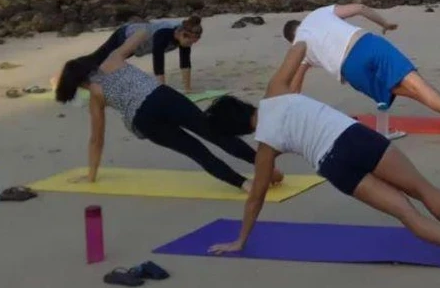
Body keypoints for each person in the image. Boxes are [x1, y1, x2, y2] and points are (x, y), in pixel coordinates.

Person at [202, 45, 440, 260]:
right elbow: (299, 49)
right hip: (353, 137)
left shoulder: (265, 146)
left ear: (237, 129)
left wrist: (240, 240)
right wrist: (309, 50)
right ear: (243, 105)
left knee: (403, 211)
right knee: (422, 189)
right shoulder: (276, 90)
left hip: (334, 165)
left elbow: (257, 197)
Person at [54, 27, 276, 191]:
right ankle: (269, 170)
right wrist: (133, 30)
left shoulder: (95, 95)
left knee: (196, 151)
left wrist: (91, 175)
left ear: (80, 83)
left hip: (143, 120)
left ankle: (244, 184)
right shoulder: (113, 59)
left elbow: (96, 139)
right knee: (212, 131)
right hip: (161, 97)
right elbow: (142, 32)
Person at [282, 3, 440, 131]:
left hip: (351, 71)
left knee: (413, 91)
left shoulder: (299, 49)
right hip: (366, 45)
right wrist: (385, 23)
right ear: (300, 22)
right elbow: (360, 8)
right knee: (417, 83)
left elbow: (294, 89)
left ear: (291, 39)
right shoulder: (318, 14)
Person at [81, 17, 203, 93]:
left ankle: (88, 78)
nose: (191, 44)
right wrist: (163, 91)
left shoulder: (185, 35)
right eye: (191, 41)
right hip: (125, 36)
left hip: (136, 47)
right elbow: (158, 63)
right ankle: (76, 75)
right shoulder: (164, 34)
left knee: (106, 63)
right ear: (182, 35)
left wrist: (188, 89)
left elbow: (185, 62)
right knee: (99, 58)